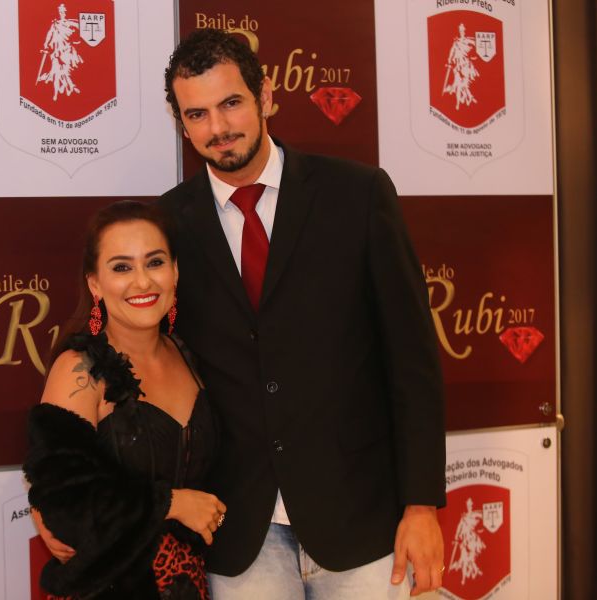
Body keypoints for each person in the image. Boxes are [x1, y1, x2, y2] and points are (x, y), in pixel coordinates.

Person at [153, 29, 447, 598]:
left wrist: (421, 505)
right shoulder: (167, 225)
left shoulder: (357, 195)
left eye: (231, 103)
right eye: (197, 114)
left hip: (362, 518)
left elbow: (412, 360)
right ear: (181, 124)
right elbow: (132, 357)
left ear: (266, 96)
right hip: (238, 530)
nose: (218, 128)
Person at [24, 200, 226, 599]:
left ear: (175, 271)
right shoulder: (80, 370)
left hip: (191, 585)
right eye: (121, 267)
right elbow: (64, 506)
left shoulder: (189, 355)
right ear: (95, 284)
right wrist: (171, 503)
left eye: (155, 262)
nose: (142, 282)